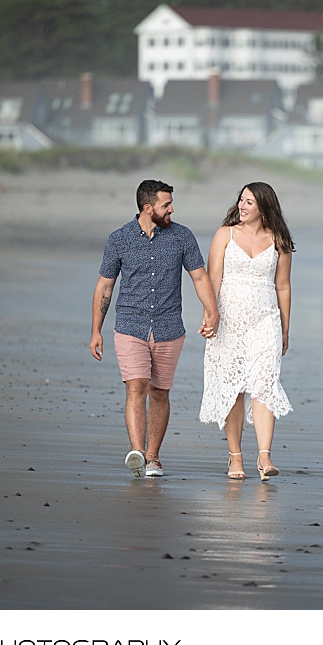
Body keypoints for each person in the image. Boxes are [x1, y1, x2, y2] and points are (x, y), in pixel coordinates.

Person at [91, 179, 219, 478]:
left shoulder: (182, 237)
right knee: (136, 387)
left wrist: (212, 312)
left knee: (160, 393)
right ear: (148, 208)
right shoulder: (119, 239)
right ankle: (136, 452)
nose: (171, 209)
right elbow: (105, 286)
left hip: (169, 327)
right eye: (166, 205)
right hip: (130, 326)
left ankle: (153, 458)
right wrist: (96, 330)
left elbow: (200, 278)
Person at [199, 182, 294, 481]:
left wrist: (285, 329)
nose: (242, 206)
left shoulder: (279, 239)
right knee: (234, 386)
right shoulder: (224, 234)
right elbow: (213, 278)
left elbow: (283, 285)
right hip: (229, 321)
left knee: (265, 383)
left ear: (264, 207)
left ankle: (264, 457)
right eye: (241, 200)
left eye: (249, 202)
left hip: (265, 321)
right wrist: (210, 315)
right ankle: (235, 457)